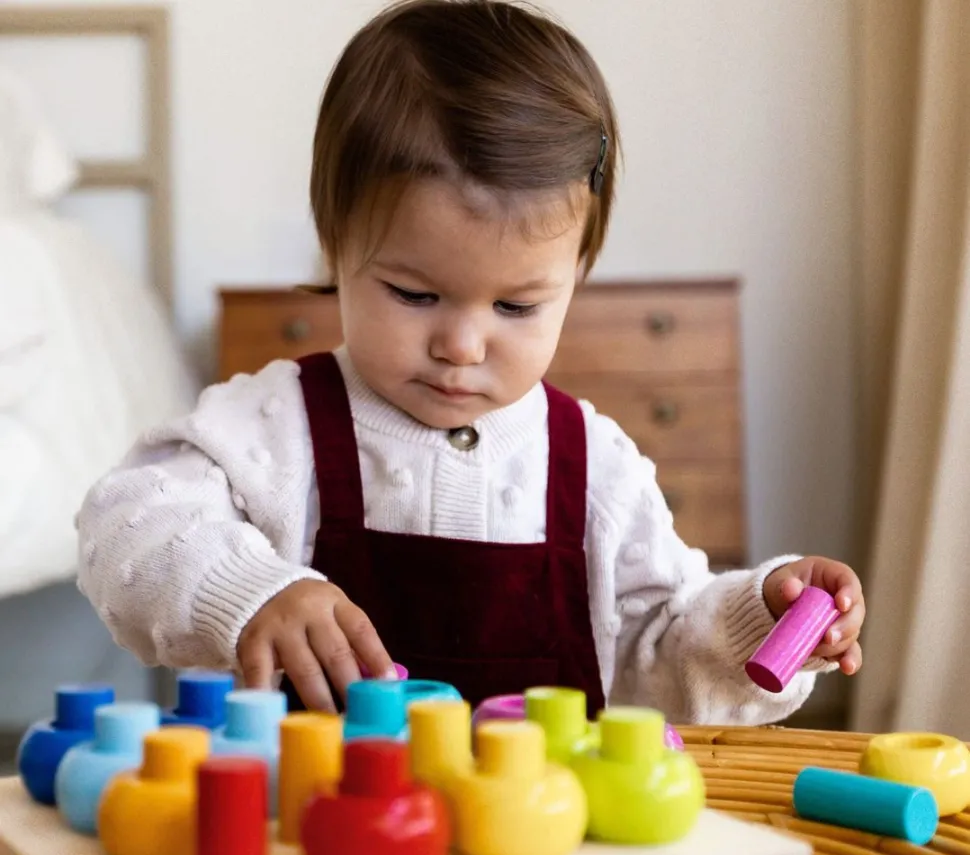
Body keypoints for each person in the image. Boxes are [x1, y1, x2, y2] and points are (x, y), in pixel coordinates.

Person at [76, 0, 865, 725]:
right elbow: (126, 527)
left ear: (575, 276)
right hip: (314, 851)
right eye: (414, 294)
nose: (462, 344)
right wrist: (247, 595)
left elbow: (659, 651)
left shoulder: (595, 467)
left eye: (517, 307)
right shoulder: (276, 426)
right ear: (337, 244)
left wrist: (761, 614)